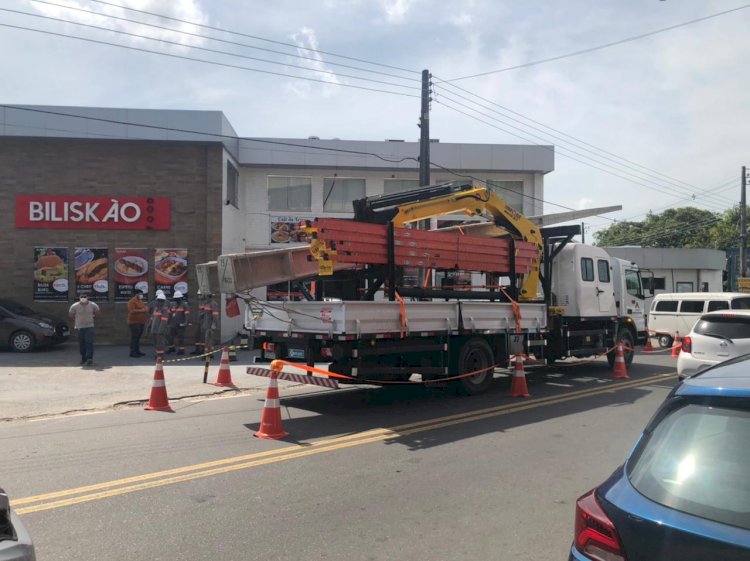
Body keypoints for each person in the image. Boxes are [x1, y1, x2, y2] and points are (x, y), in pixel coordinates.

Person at [69, 292, 100, 366]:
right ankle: (83, 358)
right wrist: (77, 321)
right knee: (82, 343)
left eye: (84, 297)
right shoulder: (75, 306)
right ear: (79, 298)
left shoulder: (93, 305)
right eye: (81, 297)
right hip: (79, 327)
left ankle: (90, 358)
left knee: (89, 342)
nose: (83, 299)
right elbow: (71, 314)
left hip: (89, 326)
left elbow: (98, 313)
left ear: (87, 298)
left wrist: (92, 319)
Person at [191, 290, 218, 355]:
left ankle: (209, 354)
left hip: (210, 324)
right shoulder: (207, 303)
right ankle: (207, 353)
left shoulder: (213, 304)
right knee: (207, 339)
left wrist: (214, 324)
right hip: (206, 323)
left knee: (209, 339)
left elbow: (215, 315)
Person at [147, 291, 171, 359]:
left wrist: (160, 331)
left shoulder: (164, 310)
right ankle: (158, 354)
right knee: (156, 343)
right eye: (157, 301)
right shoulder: (156, 309)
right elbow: (152, 318)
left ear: (162, 302)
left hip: (160, 331)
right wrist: (149, 326)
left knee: (160, 343)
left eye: (159, 301)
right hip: (154, 329)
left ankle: (160, 356)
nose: (157, 302)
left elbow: (164, 322)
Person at [166, 290, 190, 355]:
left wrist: (185, 323)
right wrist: (167, 322)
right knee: (170, 336)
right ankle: (171, 348)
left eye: (178, 299)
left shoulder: (185, 305)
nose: (177, 300)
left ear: (181, 298)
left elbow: (187, 315)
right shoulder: (172, 304)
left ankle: (181, 350)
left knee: (180, 337)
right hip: (172, 324)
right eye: (176, 299)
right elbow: (169, 314)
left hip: (181, 324)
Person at [127, 288, 148, 357]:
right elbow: (132, 311)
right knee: (134, 337)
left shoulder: (140, 301)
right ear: (136, 294)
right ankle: (132, 352)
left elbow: (145, 308)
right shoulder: (131, 302)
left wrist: (144, 309)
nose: (141, 295)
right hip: (134, 322)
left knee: (138, 337)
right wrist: (142, 310)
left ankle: (137, 351)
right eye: (140, 294)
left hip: (141, 322)